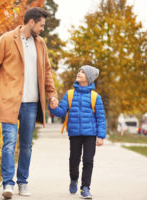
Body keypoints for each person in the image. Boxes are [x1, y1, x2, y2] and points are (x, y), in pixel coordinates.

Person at [0, 7, 58, 198]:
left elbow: (47, 72)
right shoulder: (7, 39)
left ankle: (23, 182)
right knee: (9, 142)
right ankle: (8, 183)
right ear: (31, 22)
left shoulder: (41, 44)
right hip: (9, 100)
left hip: (32, 103)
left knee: (26, 145)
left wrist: (52, 94)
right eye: (41, 25)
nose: (42, 29)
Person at [49, 65, 106, 199]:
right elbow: (61, 111)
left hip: (90, 134)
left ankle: (85, 187)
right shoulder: (70, 94)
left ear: (89, 78)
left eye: (83, 72)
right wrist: (53, 107)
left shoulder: (95, 97)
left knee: (88, 160)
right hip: (74, 133)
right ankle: (74, 178)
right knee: (74, 160)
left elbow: (101, 118)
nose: (79, 73)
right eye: (79, 71)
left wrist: (101, 136)